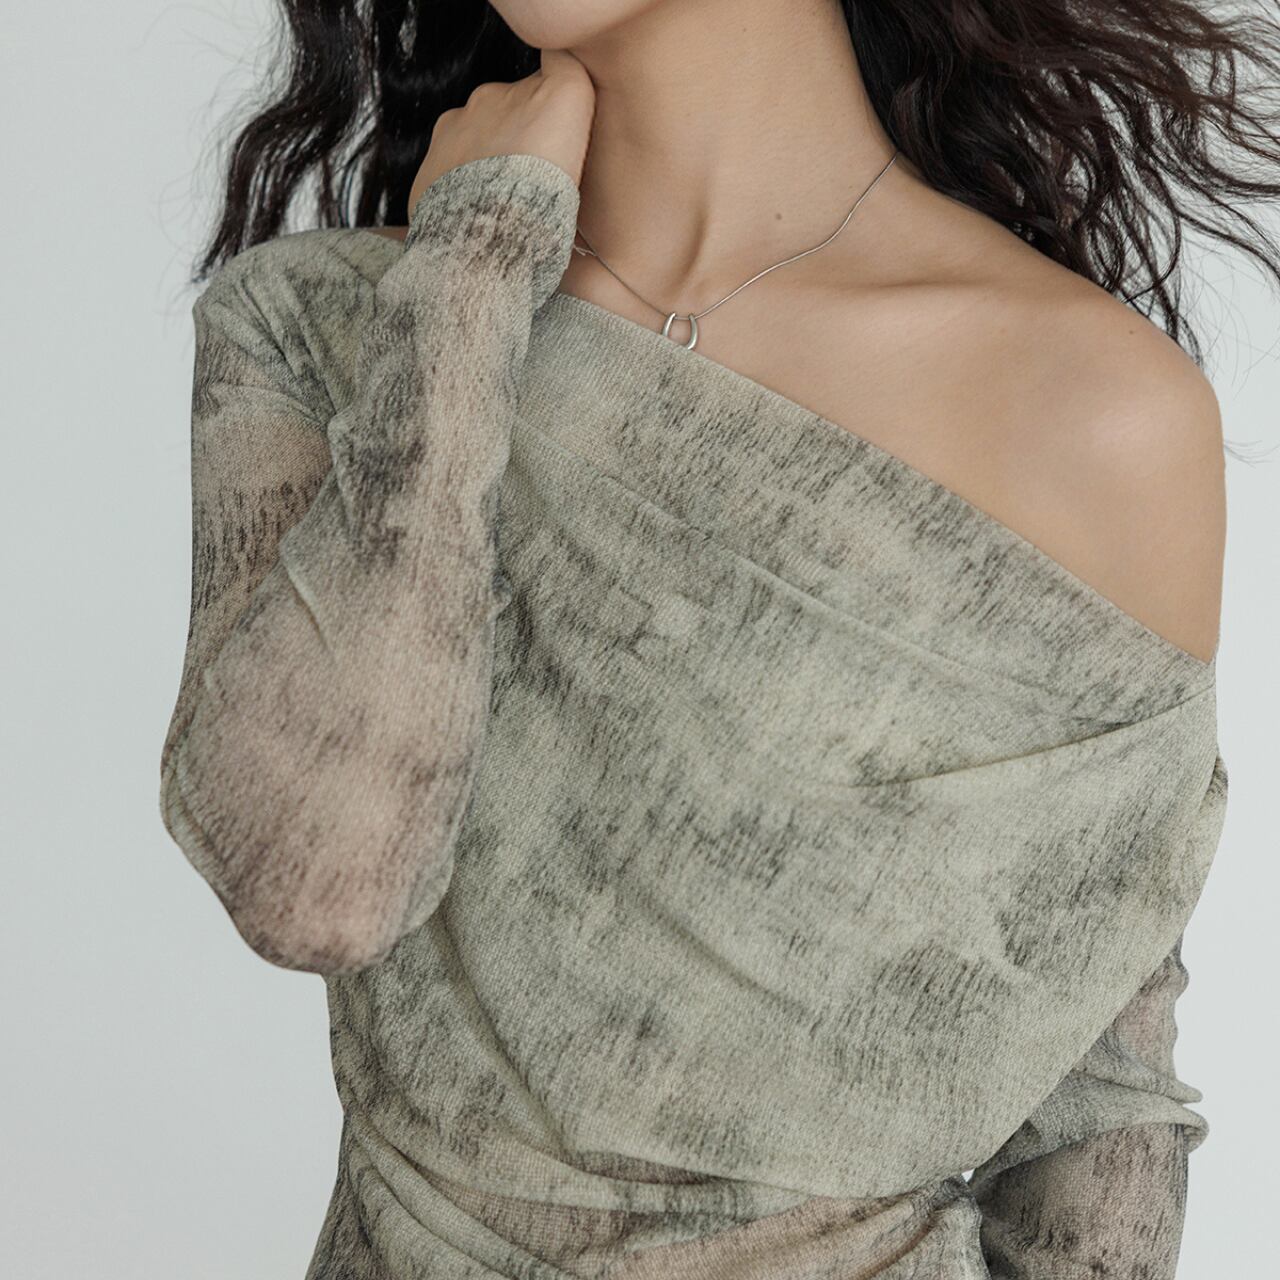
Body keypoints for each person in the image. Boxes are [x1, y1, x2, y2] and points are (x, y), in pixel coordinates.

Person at [159, 2, 1273, 1276]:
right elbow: (320, 888)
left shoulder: (1090, 410)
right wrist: (470, 272)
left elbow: (1096, 1102)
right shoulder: (327, 327)